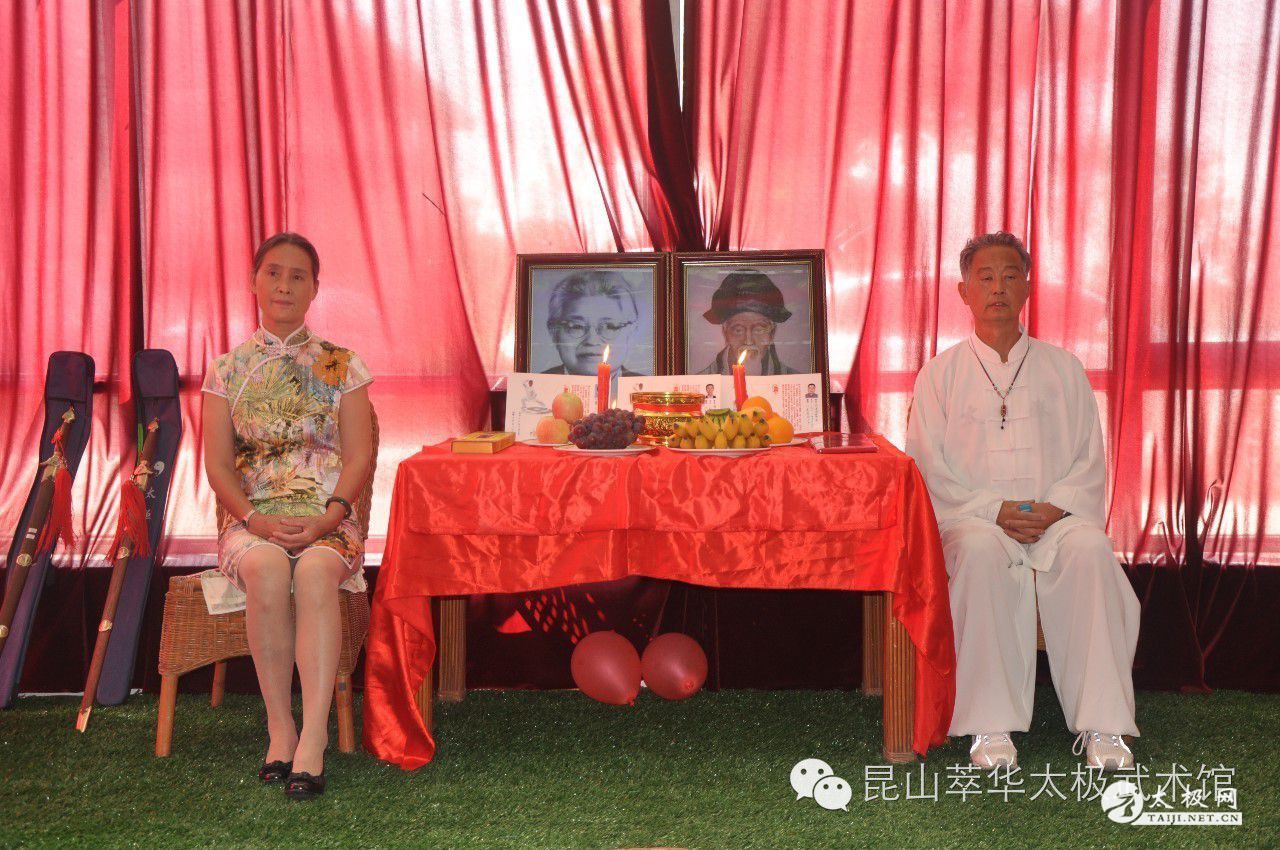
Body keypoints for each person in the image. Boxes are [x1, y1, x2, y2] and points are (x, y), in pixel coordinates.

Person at [905, 231, 1140, 772]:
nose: (998, 288)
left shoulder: (1063, 367)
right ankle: (990, 725)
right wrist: (993, 510)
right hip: (974, 520)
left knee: (1091, 551)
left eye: (1010, 276)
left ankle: (1104, 724)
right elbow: (927, 466)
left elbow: (1088, 454)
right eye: (985, 277)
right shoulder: (939, 375)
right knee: (980, 553)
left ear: (1028, 289)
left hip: (1056, 519)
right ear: (963, 291)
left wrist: (1054, 508)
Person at [202, 232, 373, 800]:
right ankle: (281, 727)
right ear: (253, 281)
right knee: (269, 568)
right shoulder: (227, 370)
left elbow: (359, 456)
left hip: (329, 520)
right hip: (252, 523)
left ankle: (314, 736)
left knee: (317, 571)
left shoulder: (339, 363)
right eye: (273, 273)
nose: (284, 285)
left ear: (315, 288)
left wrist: (329, 519)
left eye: (298, 276)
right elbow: (218, 466)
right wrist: (253, 520)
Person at [541, 270, 642, 381]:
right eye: (577, 326)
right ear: (554, 332)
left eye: (609, 326)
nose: (592, 341)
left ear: (632, 333)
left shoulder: (650, 388)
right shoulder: (535, 385)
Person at [698, 269, 801, 375]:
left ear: (772, 333)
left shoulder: (794, 379)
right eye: (738, 330)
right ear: (725, 333)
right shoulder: (704, 381)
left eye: (759, 330)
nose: (748, 342)